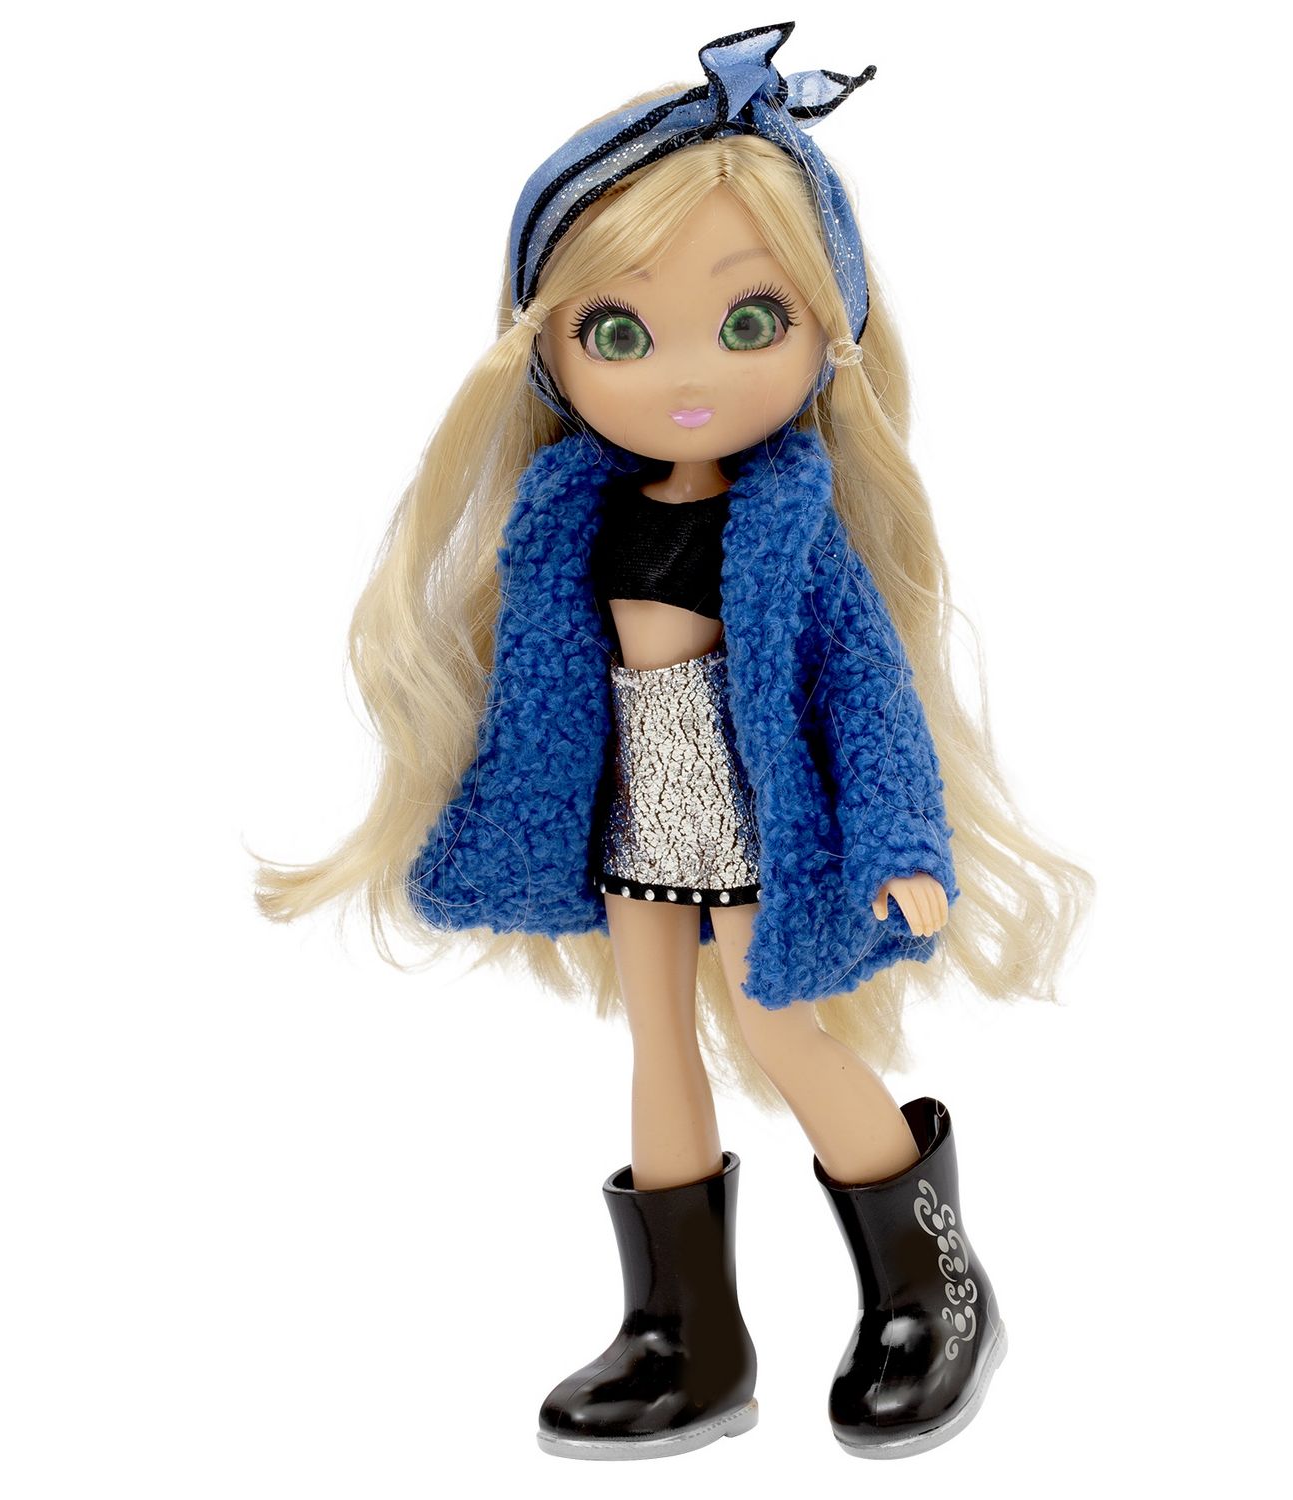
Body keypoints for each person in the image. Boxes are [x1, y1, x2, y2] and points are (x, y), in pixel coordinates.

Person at [254, 21, 1091, 1462]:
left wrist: (902, 845)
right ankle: (684, 1332)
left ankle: (929, 1287)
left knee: (778, 1027)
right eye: (621, 334)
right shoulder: (563, 514)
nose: (686, 376)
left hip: (763, 819)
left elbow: (870, 697)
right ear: (546, 349)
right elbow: (541, 689)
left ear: (828, 333)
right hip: (636, 815)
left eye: (750, 322)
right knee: (656, 1042)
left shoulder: (795, 526)